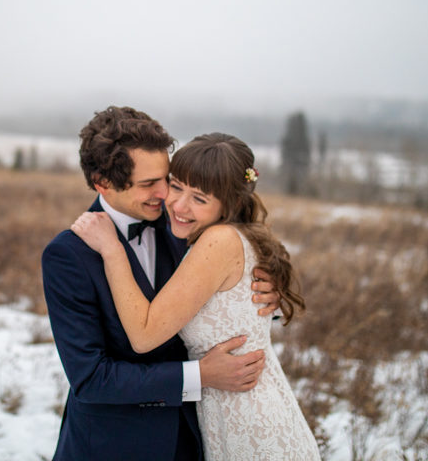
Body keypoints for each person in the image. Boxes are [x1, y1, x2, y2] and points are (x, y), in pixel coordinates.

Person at [41, 107, 281, 461]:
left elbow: (217, 294)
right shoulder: (68, 256)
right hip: (113, 446)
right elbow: (91, 378)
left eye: (165, 178)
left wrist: (262, 296)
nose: (166, 193)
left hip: (191, 440)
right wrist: (199, 375)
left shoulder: (184, 225)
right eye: (148, 184)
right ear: (102, 182)